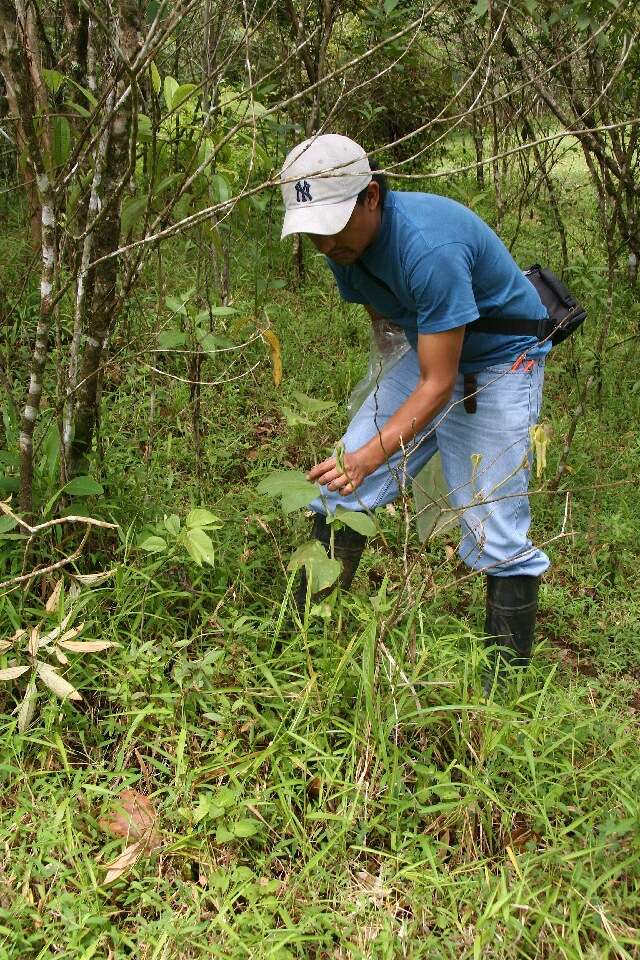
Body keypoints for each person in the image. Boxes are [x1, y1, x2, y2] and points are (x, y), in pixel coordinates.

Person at [279, 133, 551, 675]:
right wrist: (377, 406)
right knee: (338, 489)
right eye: (313, 233)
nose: (326, 245)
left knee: (494, 524)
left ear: (372, 197)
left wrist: (372, 455)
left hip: (499, 357)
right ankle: (304, 644)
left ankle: (507, 681)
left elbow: (440, 383)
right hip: (431, 350)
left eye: (333, 227)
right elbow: (387, 318)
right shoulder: (341, 244)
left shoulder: (429, 247)